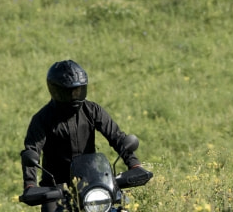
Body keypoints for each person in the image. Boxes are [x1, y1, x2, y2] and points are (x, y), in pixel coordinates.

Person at [20, 59, 143, 194]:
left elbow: (116, 137)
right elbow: (31, 151)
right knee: (51, 208)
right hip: (56, 189)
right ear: (55, 91)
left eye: (78, 91)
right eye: (69, 92)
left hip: (92, 183)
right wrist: (30, 184)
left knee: (120, 205)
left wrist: (134, 164)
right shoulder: (42, 119)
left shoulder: (93, 110)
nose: (74, 96)